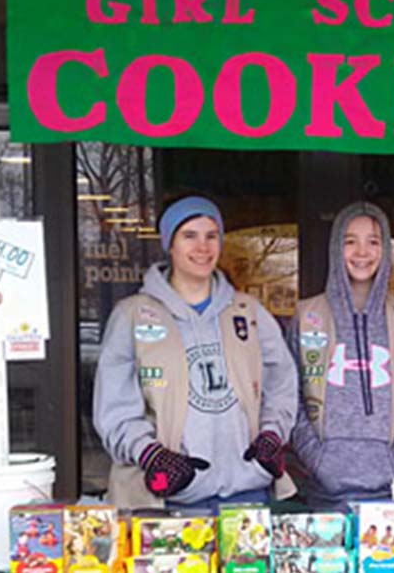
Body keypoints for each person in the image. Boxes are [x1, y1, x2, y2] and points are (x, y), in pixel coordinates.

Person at [93, 195, 298, 510]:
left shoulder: (249, 312)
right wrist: (151, 454)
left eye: (211, 236)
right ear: (170, 245)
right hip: (168, 500)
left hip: (247, 492)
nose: (202, 247)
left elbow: (282, 383)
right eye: (189, 236)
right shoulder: (132, 315)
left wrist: (272, 435)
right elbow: (114, 411)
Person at [289, 202, 394, 507]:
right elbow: (291, 396)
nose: (362, 252)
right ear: (335, 248)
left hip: (390, 489)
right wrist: (316, 458)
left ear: (385, 250)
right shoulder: (307, 315)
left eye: (373, 242)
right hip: (322, 488)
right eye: (350, 241)